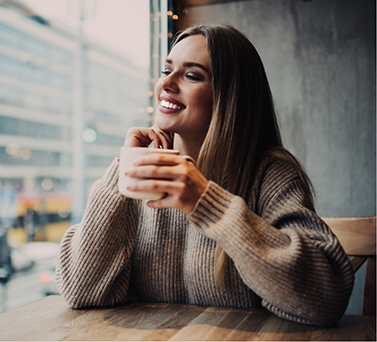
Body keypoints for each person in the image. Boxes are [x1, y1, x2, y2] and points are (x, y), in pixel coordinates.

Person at [56, 24, 354, 326]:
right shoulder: (143, 170)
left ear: (229, 97)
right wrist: (122, 169)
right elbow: (82, 292)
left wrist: (205, 201)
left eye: (191, 75)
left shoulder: (269, 173)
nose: (167, 84)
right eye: (166, 70)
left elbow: (325, 300)